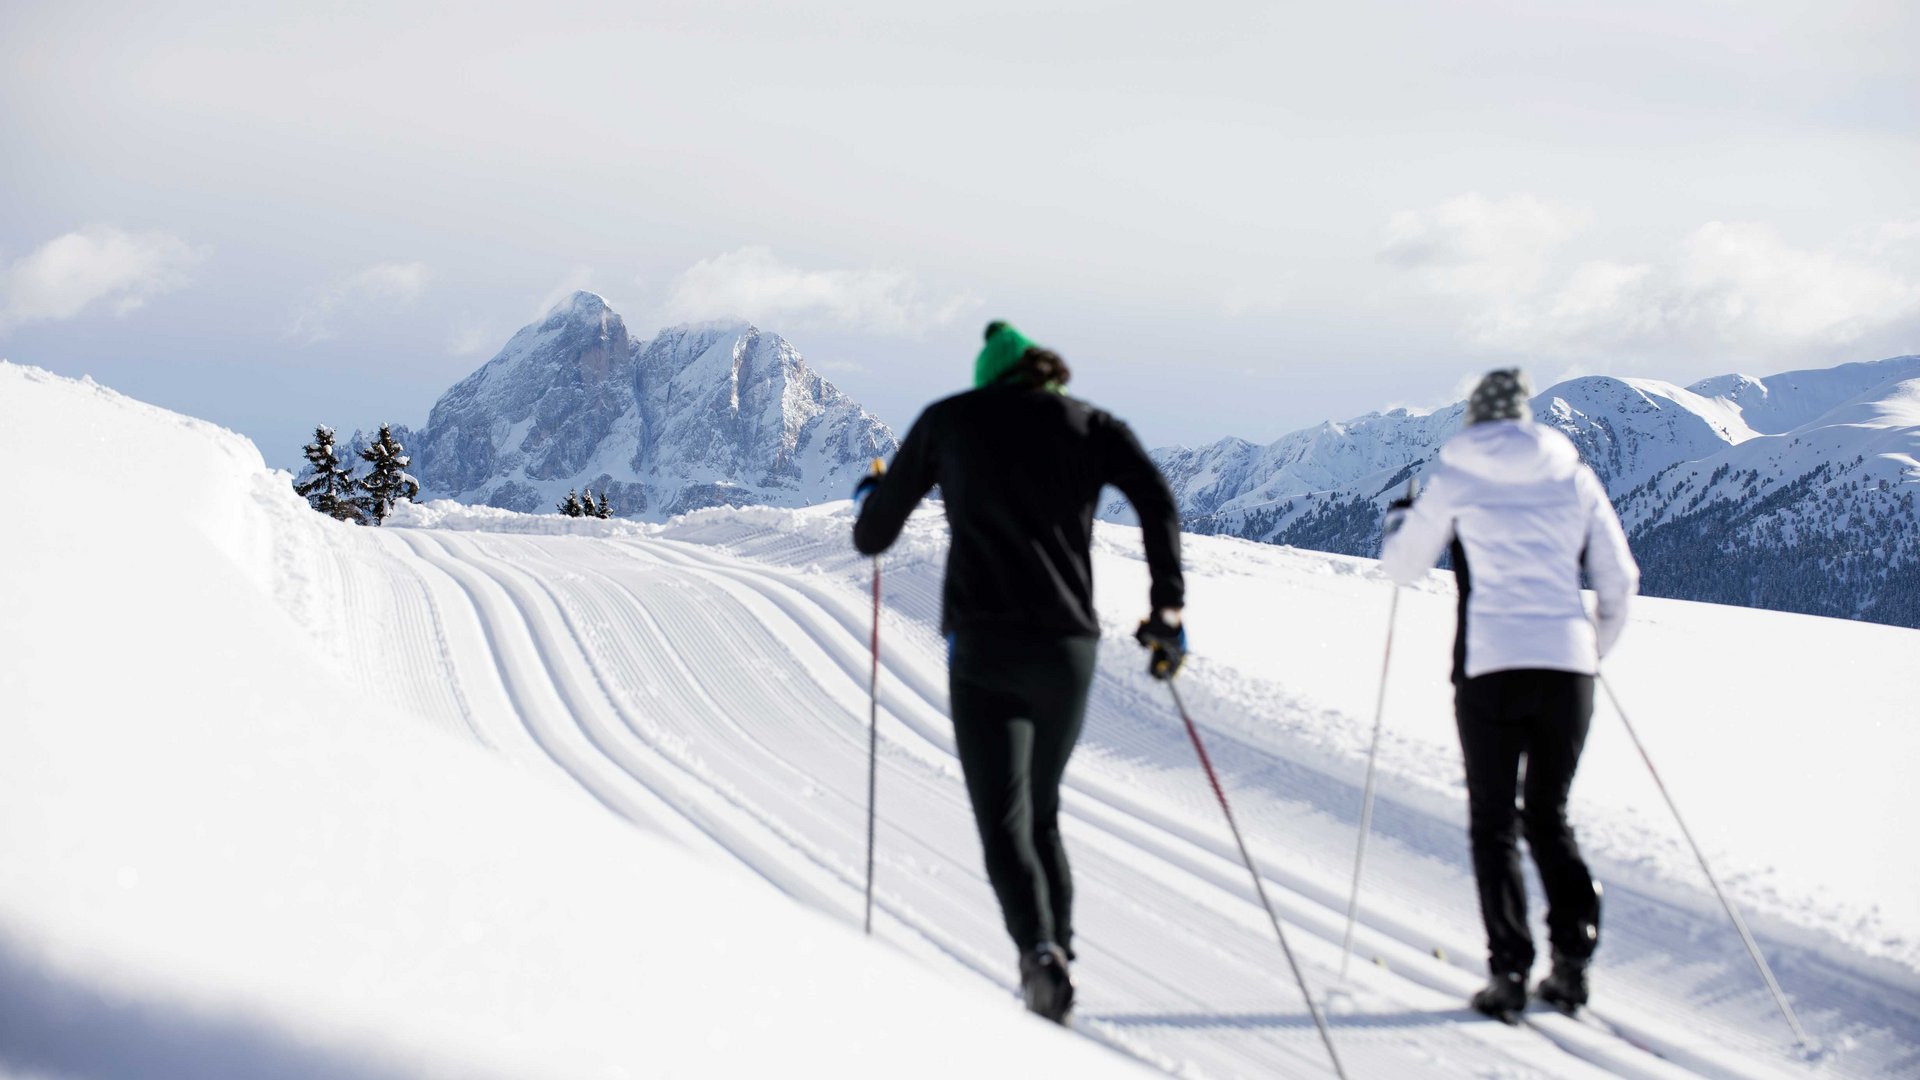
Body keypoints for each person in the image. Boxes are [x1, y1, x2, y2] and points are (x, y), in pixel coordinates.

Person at [852, 320, 1186, 1023]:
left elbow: (874, 533)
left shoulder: (951, 419)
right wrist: (1168, 608)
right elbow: (1157, 499)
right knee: (1042, 813)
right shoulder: (1092, 425)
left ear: (988, 377)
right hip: (1069, 649)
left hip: (986, 646)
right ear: (1046, 374)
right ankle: (1058, 955)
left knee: (1003, 818)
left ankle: (1040, 955)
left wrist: (869, 498)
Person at [1379, 368, 1639, 1022]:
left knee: (1494, 821)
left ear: (1476, 418)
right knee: (1548, 814)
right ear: (1526, 418)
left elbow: (1402, 566)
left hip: (1491, 668)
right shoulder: (1574, 476)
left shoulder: (1458, 479)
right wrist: (1590, 651)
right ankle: (1573, 962)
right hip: (1567, 672)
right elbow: (1620, 579)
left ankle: (1510, 972)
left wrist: (1401, 518)